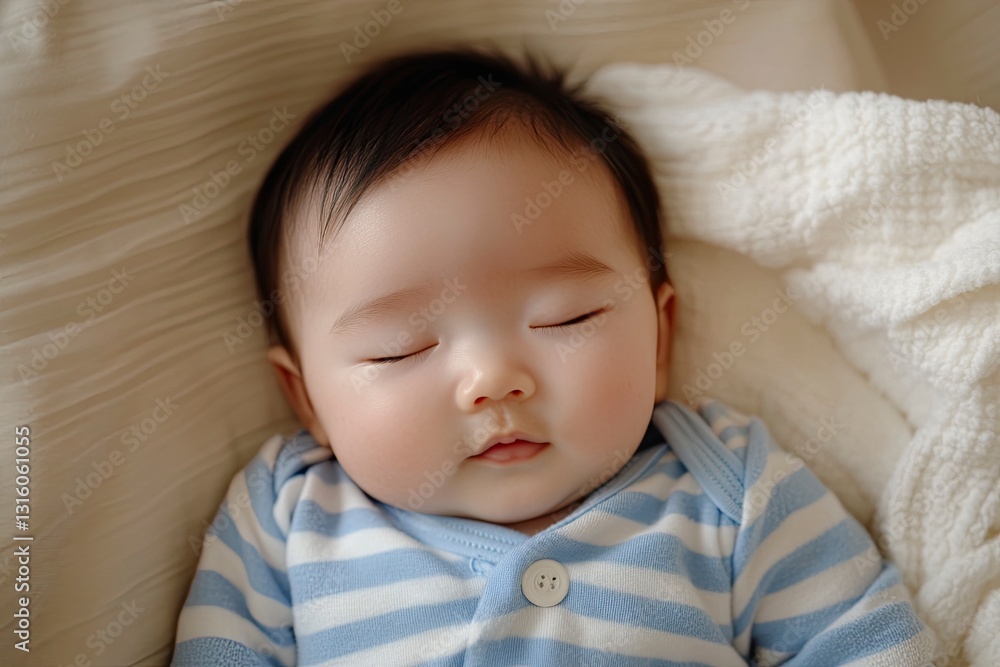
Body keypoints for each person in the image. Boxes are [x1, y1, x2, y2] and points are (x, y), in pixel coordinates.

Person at [172, 47, 938, 666]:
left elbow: (866, 636)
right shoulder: (288, 517)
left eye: (565, 316)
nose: (493, 379)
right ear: (307, 398)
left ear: (660, 334)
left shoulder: (729, 485)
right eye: (399, 348)